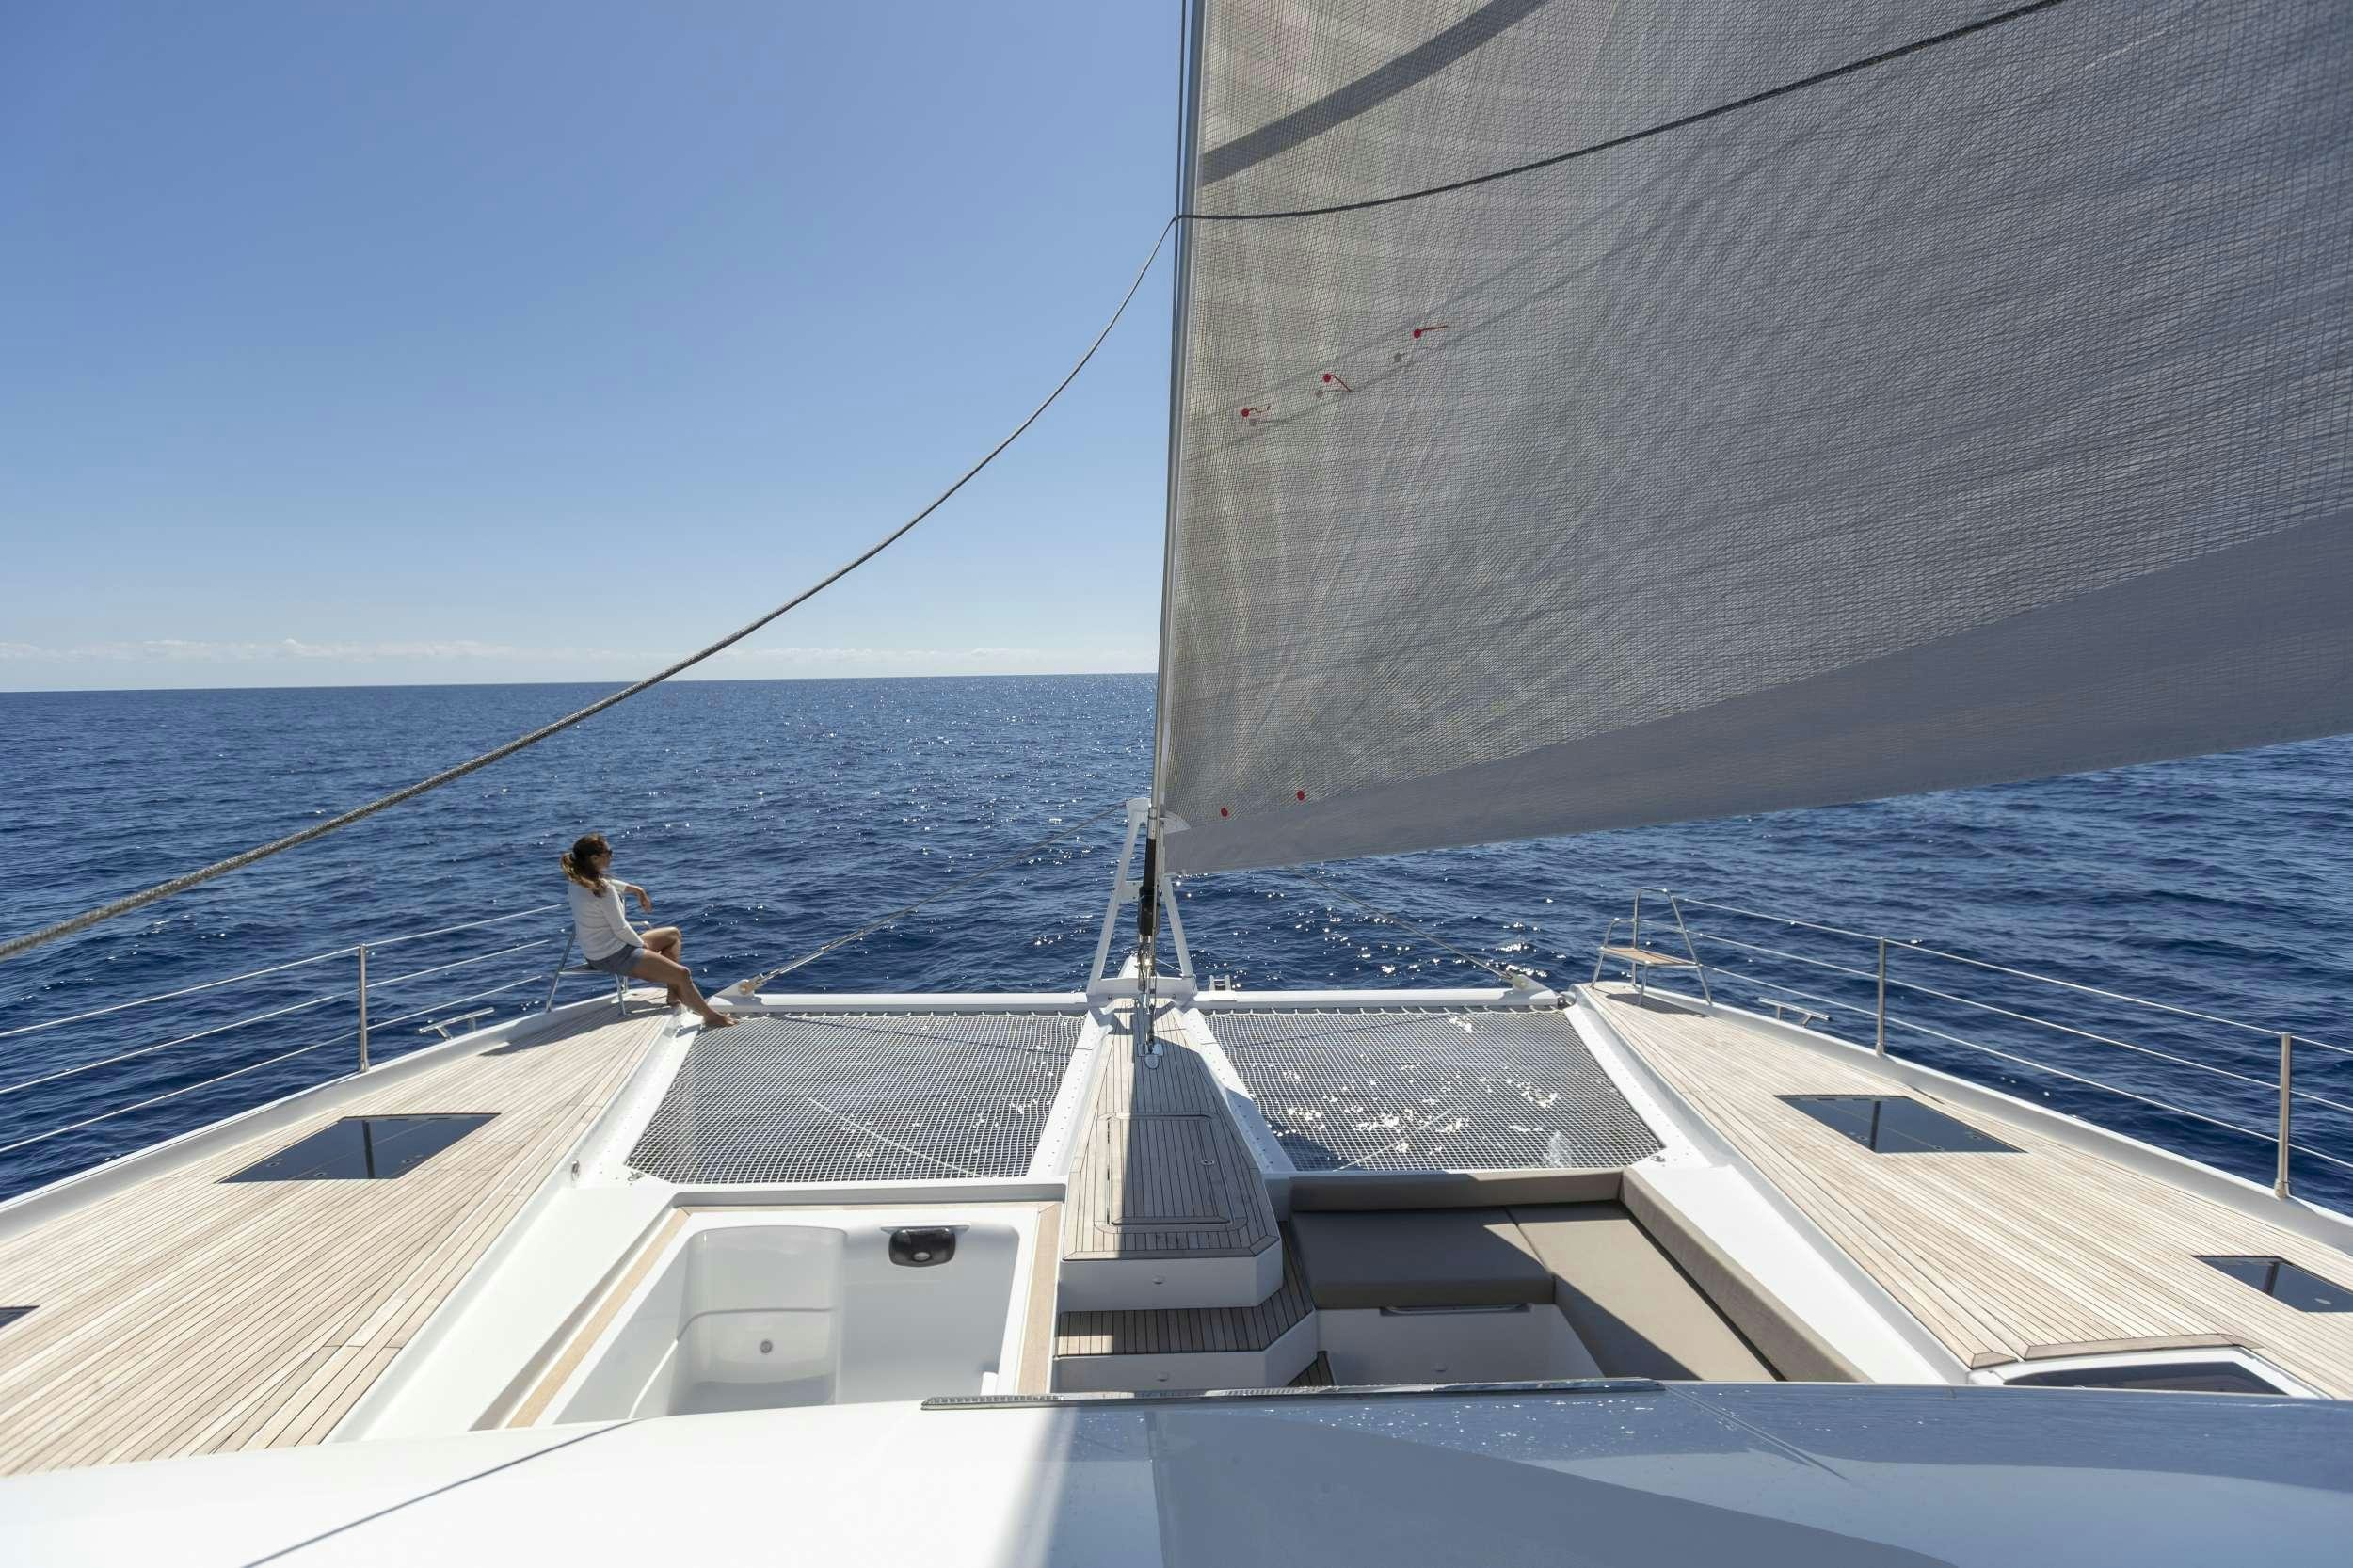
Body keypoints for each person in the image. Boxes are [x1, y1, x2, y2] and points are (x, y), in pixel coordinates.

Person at [559, 832, 733, 1028]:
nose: (611, 856)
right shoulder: (603, 890)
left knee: (672, 934)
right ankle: (711, 1017)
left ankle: (673, 993)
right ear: (594, 858)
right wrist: (642, 947)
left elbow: (607, 885)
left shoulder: (576, 882)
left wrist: (637, 890)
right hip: (615, 955)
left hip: (596, 954)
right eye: (609, 852)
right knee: (683, 973)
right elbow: (621, 928)